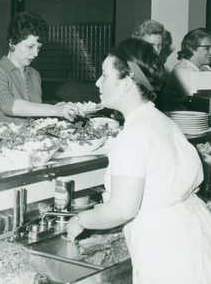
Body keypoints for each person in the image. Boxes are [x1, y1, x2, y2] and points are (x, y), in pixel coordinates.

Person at [66, 38, 211, 283]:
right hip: (191, 235)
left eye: (105, 75)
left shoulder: (133, 136)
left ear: (126, 85)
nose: (98, 82)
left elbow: (122, 209)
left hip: (165, 248)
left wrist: (80, 220)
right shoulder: (161, 121)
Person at [0, 11, 82, 122]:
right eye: (30, 47)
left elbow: (33, 113)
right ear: (12, 43)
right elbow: (8, 104)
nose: (36, 53)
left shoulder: (34, 74)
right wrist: (55, 110)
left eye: (38, 47)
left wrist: (59, 108)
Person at [162, 28, 211, 110]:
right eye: (207, 48)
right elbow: (198, 102)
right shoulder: (181, 70)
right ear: (192, 48)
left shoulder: (204, 67)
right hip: (180, 120)